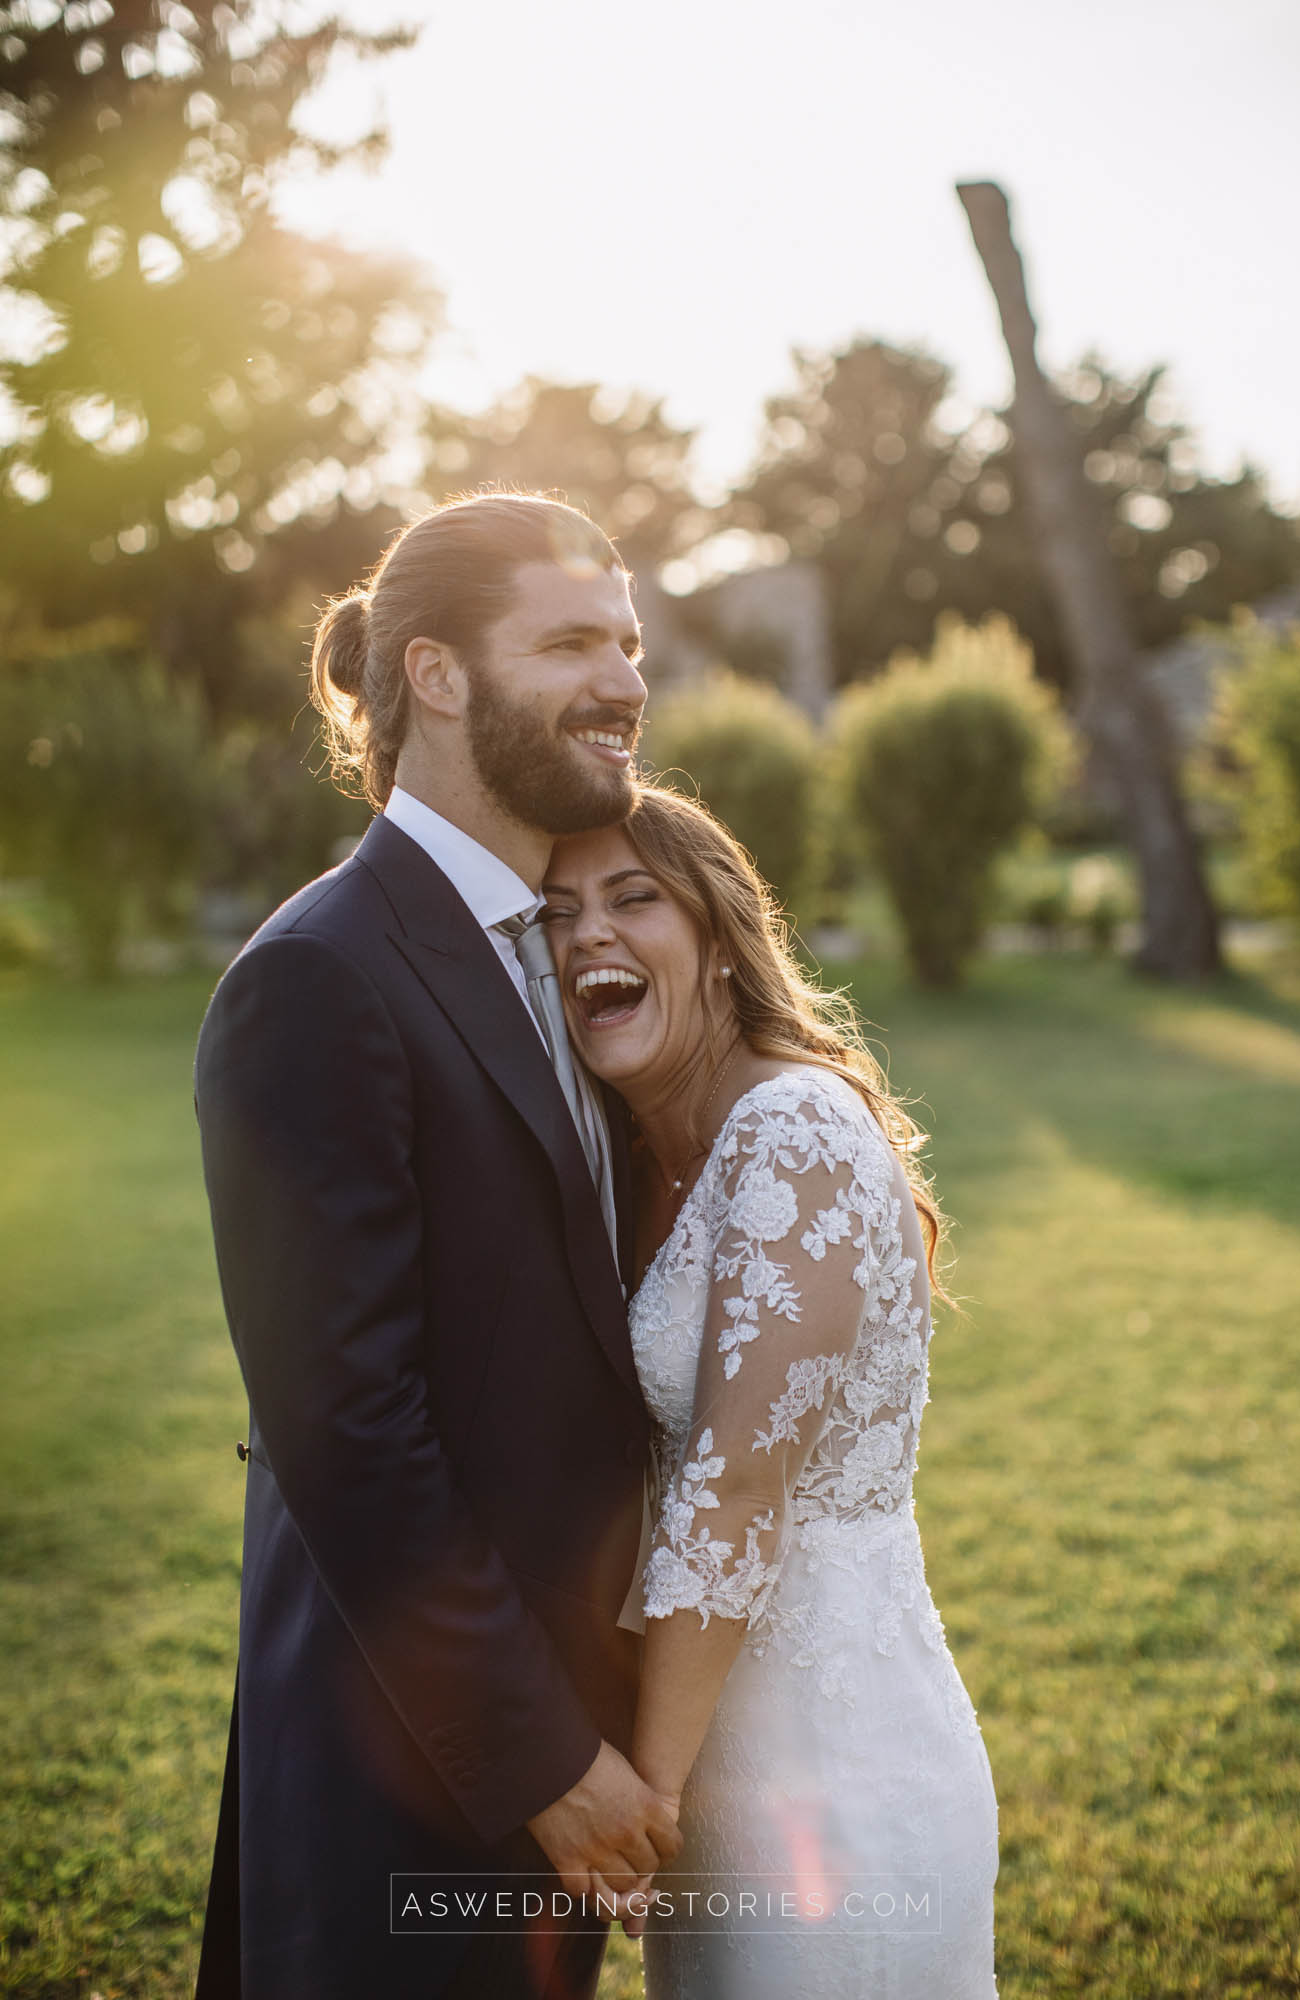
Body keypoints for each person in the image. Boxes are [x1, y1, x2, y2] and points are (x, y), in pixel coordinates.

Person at [192, 492, 681, 2000]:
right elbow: (350, 1432)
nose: (622, 679)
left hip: (564, 1737)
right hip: (408, 1764)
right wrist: (544, 1762)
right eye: (570, 642)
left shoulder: (573, 942)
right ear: (437, 675)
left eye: (630, 643)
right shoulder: (318, 980)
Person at [542, 784, 1001, 1998]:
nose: (588, 932)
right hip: (721, 1766)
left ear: (717, 938)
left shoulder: (790, 1125)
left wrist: (638, 1797)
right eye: (556, 911)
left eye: (632, 897)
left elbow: (738, 1483)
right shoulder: (653, 1156)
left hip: (830, 1772)